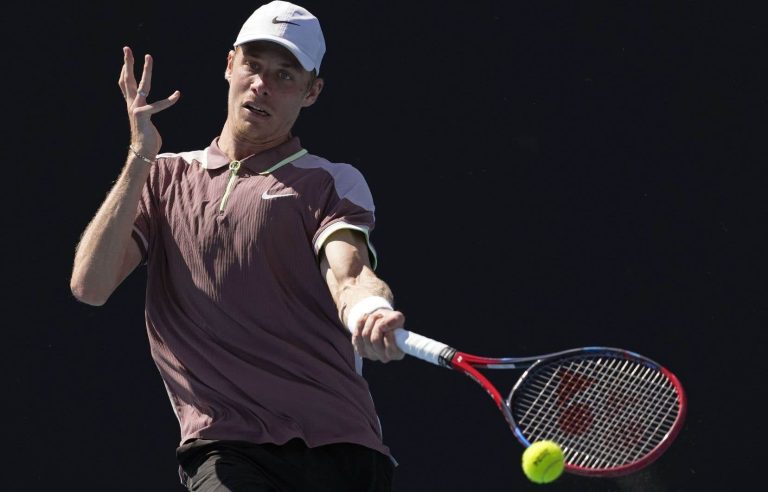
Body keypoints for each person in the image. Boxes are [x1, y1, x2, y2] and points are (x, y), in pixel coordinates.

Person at [69, 1, 405, 490]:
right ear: (230, 65)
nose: (262, 84)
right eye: (253, 65)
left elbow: (347, 273)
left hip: (342, 450)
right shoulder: (163, 177)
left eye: (285, 76)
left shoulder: (330, 182)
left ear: (312, 92)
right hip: (228, 449)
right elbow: (90, 286)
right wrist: (141, 156)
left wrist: (368, 308)